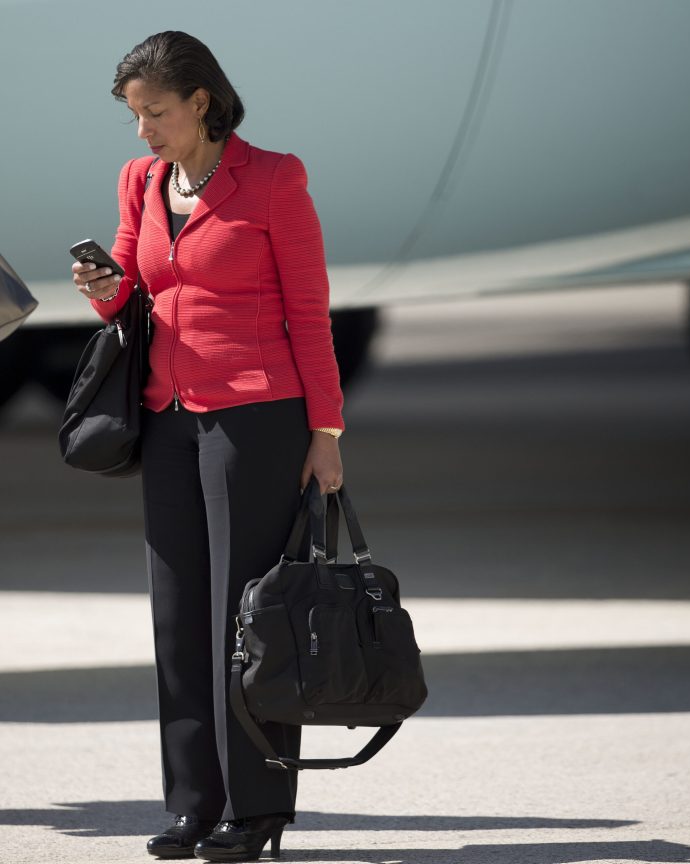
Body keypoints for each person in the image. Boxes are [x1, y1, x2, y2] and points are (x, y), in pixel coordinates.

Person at [71, 31, 345, 863]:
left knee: (247, 618)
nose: (143, 131)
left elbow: (311, 311)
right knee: (178, 617)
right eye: (133, 116)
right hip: (168, 416)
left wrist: (326, 432)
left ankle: (256, 812)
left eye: (155, 112)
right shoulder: (141, 181)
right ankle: (192, 805)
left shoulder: (273, 178)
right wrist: (102, 288)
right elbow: (131, 289)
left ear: (201, 100)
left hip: (258, 418)